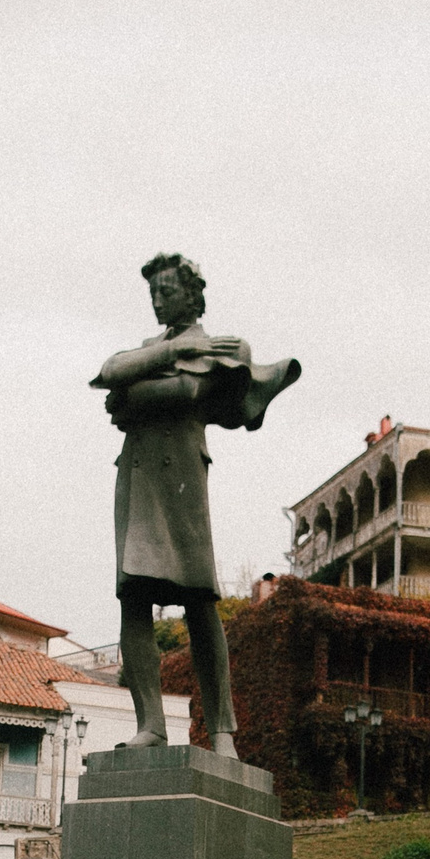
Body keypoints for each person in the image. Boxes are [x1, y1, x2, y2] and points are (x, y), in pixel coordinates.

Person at [89, 253, 297, 755]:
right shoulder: (161, 348)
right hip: (137, 478)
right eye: (152, 293)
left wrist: (135, 393)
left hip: (181, 476)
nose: (158, 300)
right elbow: (108, 373)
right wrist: (172, 353)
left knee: (200, 601)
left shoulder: (227, 346)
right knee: (133, 597)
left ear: (192, 292)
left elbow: (187, 390)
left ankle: (223, 732)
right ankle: (151, 726)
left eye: (166, 290)